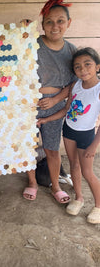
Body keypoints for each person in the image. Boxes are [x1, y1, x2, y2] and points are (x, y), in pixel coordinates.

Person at [22, 0, 76, 203]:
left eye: (60, 21)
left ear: (68, 23)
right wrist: (22, 33)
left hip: (56, 108)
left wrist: (55, 99)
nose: (55, 26)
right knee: (29, 148)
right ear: (42, 24)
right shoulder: (32, 45)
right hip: (30, 106)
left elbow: (73, 83)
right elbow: (18, 70)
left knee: (52, 149)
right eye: (49, 21)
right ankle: (33, 182)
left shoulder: (71, 51)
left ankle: (55, 186)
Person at [37, 47, 100, 223]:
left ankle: (98, 206)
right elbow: (66, 109)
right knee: (73, 166)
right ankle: (78, 198)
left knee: (88, 172)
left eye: (88, 64)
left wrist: (94, 146)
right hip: (69, 130)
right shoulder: (75, 86)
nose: (83, 70)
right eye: (78, 67)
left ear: (97, 66)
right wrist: (46, 120)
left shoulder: (98, 90)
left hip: (86, 135)